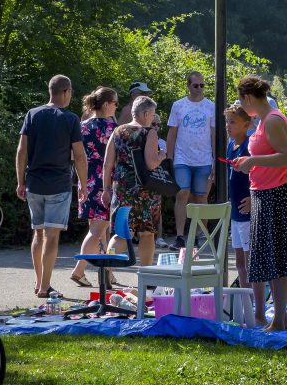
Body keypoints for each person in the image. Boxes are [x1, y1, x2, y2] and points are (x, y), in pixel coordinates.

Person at [230, 76, 287, 332]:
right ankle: (281, 317)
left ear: (249, 98)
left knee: (280, 258)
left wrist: (252, 162)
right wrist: (248, 162)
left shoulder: (273, 120)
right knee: (274, 259)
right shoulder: (266, 121)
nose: (244, 110)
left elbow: (286, 157)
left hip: (279, 192)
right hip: (266, 192)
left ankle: (279, 316)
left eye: (243, 103)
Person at [16, 75, 86, 298]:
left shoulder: (33, 114)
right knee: (52, 235)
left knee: (38, 233)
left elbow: (21, 151)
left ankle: (38, 283)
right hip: (59, 183)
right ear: (66, 91)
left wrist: (20, 181)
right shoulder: (70, 119)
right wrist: (83, 185)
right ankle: (45, 287)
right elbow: (79, 156)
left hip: (34, 182)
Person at [102, 95, 164, 268]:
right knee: (147, 233)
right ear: (145, 114)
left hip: (122, 188)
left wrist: (106, 189)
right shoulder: (149, 133)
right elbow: (151, 163)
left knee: (121, 233)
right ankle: (146, 275)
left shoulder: (118, 131)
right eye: (152, 115)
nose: (153, 119)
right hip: (146, 190)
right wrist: (162, 155)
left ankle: (106, 269)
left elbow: (107, 164)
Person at [70, 86, 118, 288]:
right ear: (106, 104)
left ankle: (107, 272)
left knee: (99, 228)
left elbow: (74, 156)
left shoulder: (82, 126)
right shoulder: (112, 129)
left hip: (86, 180)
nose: (117, 106)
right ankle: (79, 270)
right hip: (105, 182)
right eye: (115, 103)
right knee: (99, 230)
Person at [224, 103, 266, 325]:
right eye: (227, 122)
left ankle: (258, 309)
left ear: (246, 124)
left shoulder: (250, 145)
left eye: (233, 122)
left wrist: (253, 198)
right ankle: (246, 306)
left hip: (247, 210)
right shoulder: (231, 145)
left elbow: (260, 174)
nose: (228, 126)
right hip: (235, 211)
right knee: (240, 261)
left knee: (252, 262)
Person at [167, 71, 215, 249]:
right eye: (196, 85)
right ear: (188, 86)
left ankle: (195, 235)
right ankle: (180, 236)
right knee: (182, 193)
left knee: (201, 197)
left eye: (202, 85)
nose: (199, 89)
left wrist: (215, 161)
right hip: (182, 157)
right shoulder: (179, 105)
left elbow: (214, 134)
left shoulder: (211, 106)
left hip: (203, 158)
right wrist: (169, 157)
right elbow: (172, 133)